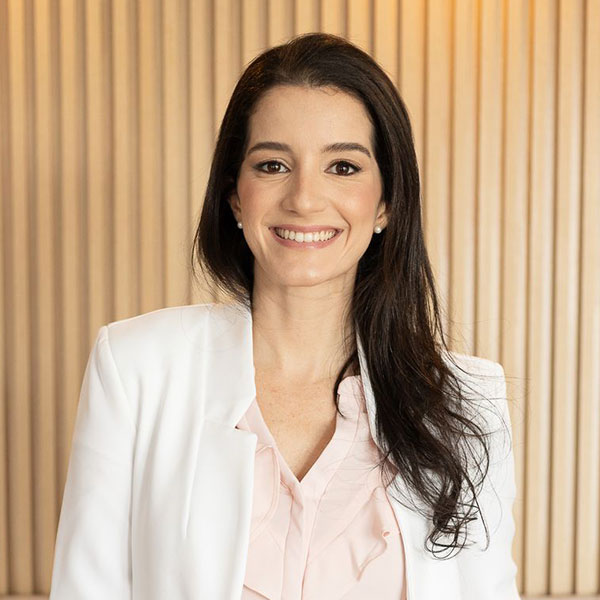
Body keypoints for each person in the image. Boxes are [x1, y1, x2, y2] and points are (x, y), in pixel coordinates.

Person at [49, 32, 520, 599]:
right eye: (273, 164)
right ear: (235, 195)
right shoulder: (134, 370)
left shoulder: (468, 405)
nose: (304, 199)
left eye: (342, 167)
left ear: (386, 204)